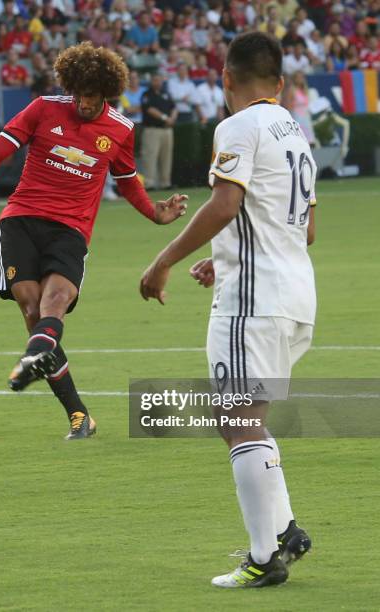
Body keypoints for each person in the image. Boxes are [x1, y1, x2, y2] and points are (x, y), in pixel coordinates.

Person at [140, 32, 316, 588]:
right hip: (293, 295)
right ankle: (286, 529)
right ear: (281, 82)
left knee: (236, 421)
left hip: (253, 302)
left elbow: (226, 202)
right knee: (247, 419)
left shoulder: (238, 126)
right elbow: (304, 227)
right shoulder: (295, 132)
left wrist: (164, 259)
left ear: (225, 79)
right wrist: (226, 257)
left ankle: (264, 558)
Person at [0, 43, 187, 440]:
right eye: (79, 93)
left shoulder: (120, 129)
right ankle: (79, 416)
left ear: (107, 93)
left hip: (71, 230)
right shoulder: (43, 108)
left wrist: (156, 213)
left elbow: (127, 183)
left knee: (54, 305)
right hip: (21, 222)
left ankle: (37, 362)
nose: (84, 102)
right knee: (34, 311)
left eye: (92, 95)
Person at [140, 73, 177, 189]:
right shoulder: (147, 94)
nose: (157, 82)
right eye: (155, 80)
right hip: (152, 130)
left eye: (159, 80)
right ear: (151, 81)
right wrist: (165, 118)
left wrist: (172, 119)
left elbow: (174, 108)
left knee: (166, 157)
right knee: (150, 156)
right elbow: (149, 109)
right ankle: (149, 183)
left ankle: (165, 183)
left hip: (167, 130)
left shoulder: (166, 93)